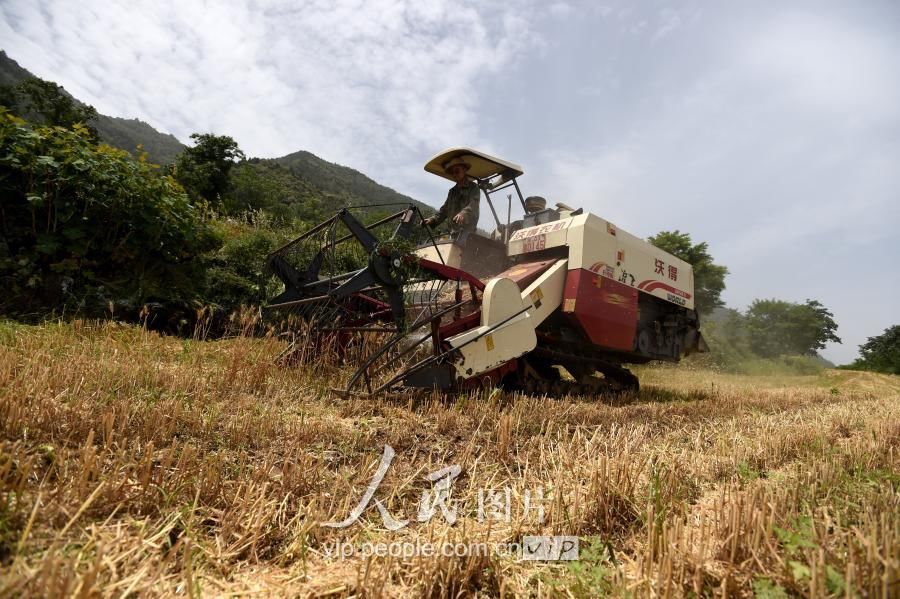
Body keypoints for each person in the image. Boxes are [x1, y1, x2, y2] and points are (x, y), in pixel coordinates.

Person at [423, 157, 480, 234]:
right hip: (451, 232)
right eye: (452, 172)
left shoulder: (473, 187)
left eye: (457, 171)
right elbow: (444, 210)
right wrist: (432, 219)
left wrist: (463, 214)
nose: (454, 174)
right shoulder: (452, 191)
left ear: (464, 170)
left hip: (467, 232)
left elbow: (473, 205)